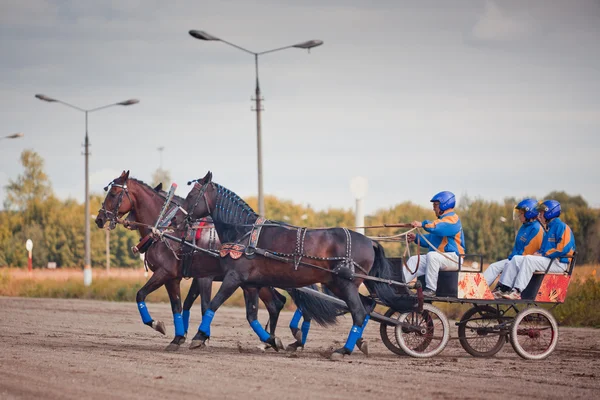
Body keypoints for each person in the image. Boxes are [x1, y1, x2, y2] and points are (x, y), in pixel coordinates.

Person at [499, 200, 576, 300]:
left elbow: (563, 249)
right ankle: (503, 289)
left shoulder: (562, 227)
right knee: (517, 259)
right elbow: (544, 249)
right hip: (550, 261)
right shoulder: (549, 228)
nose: (539, 215)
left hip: (559, 263)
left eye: (542, 213)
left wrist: (543, 254)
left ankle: (517, 291)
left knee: (529, 259)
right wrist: (539, 253)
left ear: (550, 213)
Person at [403, 191, 466, 297]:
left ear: (444, 204)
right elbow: (431, 240)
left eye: (435, 205)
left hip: (454, 258)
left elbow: (437, 228)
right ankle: (398, 286)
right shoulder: (441, 221)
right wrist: (416, 238)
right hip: (442, 258)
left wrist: (422, 224)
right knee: (414, 259)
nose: (433, 208)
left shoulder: (453, 220)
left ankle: (430, 290)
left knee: (432, 256)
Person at [484, 198, 544, 298]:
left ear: (529, 213)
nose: (519, 215)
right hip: (514, 258)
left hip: (521, 260)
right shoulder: (524, 226)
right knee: (493, 267)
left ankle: (502, 289)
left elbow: (528, 253)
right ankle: (479, 289)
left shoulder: (536, 229)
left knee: (508, 263)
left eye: (521, 213)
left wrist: (512, 260)